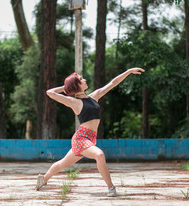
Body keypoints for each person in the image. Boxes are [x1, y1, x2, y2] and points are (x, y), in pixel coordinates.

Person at [36, 67, 145, 197]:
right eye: (81, 79)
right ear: (76, 85)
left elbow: (113, 83)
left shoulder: (94, 97)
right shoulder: (74, 102)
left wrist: (128, 72)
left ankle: (43, 180)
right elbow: (50, 92)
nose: (85, 79)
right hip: (81, 139)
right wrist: (65, 87)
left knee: (62, 164)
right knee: (99, 155)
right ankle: (111, 188)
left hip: (90, 138)